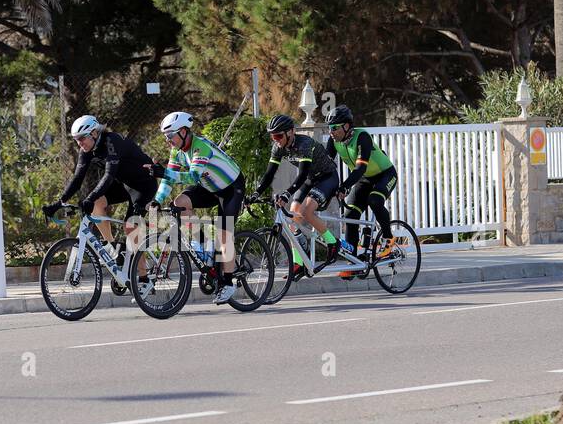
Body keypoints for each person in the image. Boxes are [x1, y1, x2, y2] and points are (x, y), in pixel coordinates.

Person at [151, 111, 245, 305]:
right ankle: (203, 246)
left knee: (224, 234)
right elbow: (169, 179)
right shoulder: (177, 151)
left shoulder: (200, 147)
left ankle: (228, 282)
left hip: (230, 188)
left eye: (170, 136)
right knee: (180, 203)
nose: (168, 141)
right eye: (165, 137)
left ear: (184, 131)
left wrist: (163, 172)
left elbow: (192, 177)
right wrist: (157, 200)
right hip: (209, 187)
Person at [42, 115, 157, 253]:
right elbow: (77, 179)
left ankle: (142, 275)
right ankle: (113, 248)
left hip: (143, 184)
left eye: (82, 138)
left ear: (94, 133)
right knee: (97, 203)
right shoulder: (86, 150)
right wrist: (60, 202)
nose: (79, 143)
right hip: (124, 183)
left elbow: (109, 175)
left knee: (130, 227)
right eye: (76, 139)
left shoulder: (111, 142)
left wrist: (89, 198)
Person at [252, 113, 340, 281]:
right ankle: (299, 261)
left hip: (327, 177)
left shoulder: (304, 144)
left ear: (291, 132)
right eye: (273, 136)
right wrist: (256, 193)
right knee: (292, 216)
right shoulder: (278, 147)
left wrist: (287, 193)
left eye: (278, 135)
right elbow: (269, 174)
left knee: (306, 212)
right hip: (310, 179)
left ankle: (332, 242)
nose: (275, 139)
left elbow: (302, 174)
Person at [324, 105, 399, 279]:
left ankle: (389, 240)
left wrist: (344, 186)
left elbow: (358, 170)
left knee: (374, 200)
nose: (331, 132)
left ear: (347, 126)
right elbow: (327, 166)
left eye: (334, 128)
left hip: (384, 174)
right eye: (329, 128)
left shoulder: (362, 137)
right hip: (364, 179)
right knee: (350, 216)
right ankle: (354, 263)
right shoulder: (334, 141)